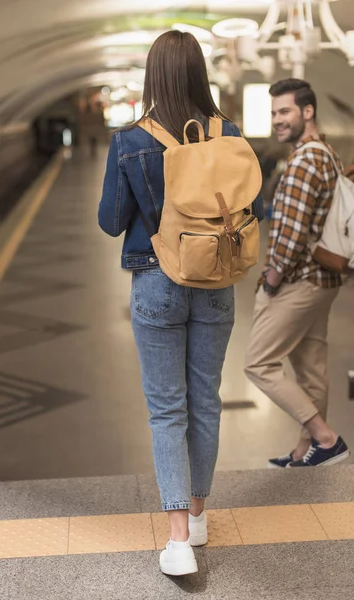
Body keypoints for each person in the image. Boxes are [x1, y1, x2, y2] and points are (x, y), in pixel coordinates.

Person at [99, 30, 262, 576]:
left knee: (167, 409)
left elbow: (109, 221)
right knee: (206, 401)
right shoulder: (229, 132)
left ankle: (176, 540)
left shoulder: (131, 140)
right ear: (199, 72)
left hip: (156, 282)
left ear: (152, 76)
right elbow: (250, 205)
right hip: (217, 281)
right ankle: (197, 513)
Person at [245, 78, 350, 469]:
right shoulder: (328, 154)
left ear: (308, 112)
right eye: (274, 113)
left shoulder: (305, 159)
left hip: (301, 280)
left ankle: (326, 438)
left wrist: (271, 278)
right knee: (311, 367)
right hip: (325, 278)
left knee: (258, 363)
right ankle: (305, 451)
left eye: (285, 111)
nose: (277, 120)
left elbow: (291, 230)